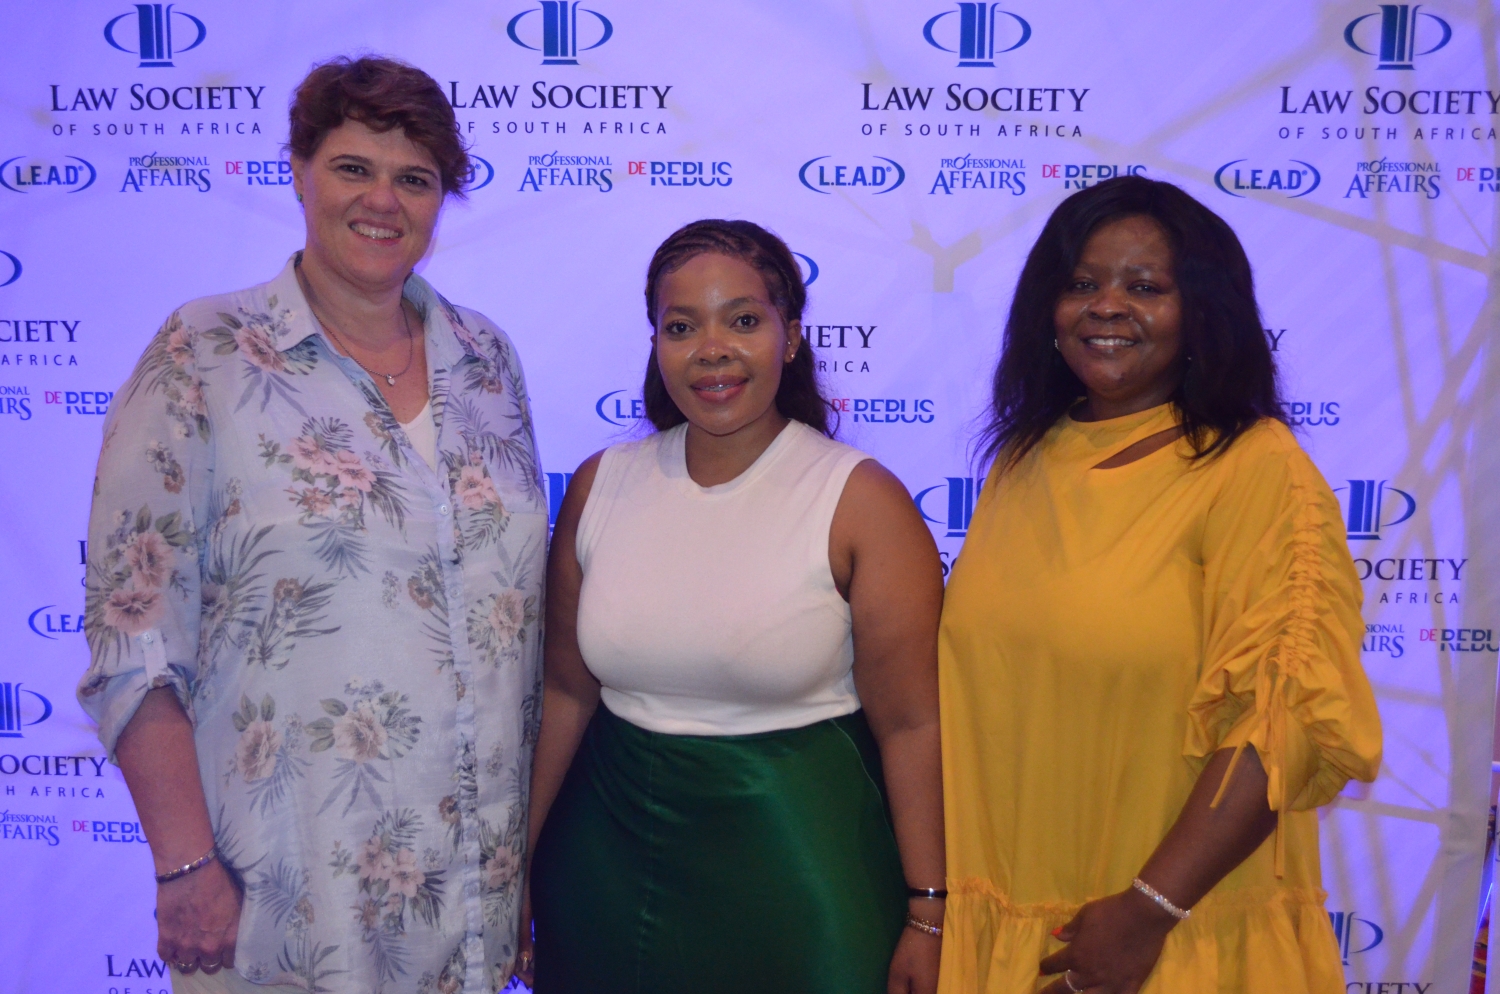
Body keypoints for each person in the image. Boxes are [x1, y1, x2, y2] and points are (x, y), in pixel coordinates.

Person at [78, 56, 546, 994]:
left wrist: (523, 874)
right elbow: (134, 638)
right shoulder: (204, 354)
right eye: (353, 167)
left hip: (471, 904)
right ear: (298, 171)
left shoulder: (487, 359)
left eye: (414, 178)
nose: (383, 200)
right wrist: (182, 865)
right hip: (286, 902)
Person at [937, 176, 1382, 994]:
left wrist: (1148, 911)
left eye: (1145, 287)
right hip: (1016, 934)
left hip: (1165, 941)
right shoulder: (1023, 460)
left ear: (1203, 312)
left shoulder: (1255, 470)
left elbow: (1284, 723)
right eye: (1083, 283)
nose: (1107, 306)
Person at [514, 219, 946, 994]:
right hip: (603, 872)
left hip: (803, 874)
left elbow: (913, 725)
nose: (712, 350)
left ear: (791, 336)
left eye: (743, 320)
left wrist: (928, 908)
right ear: (656, 344)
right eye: (682, 327)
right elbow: (566, 694)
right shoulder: (600, 483)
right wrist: (515, 868)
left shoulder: (861, 500)